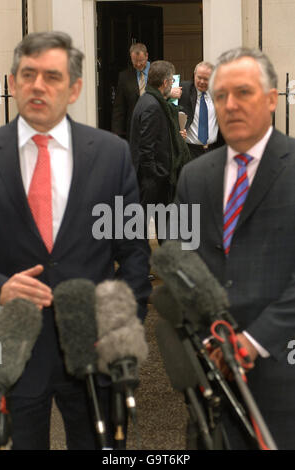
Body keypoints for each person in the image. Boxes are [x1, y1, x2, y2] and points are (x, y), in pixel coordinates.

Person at [0, 31, 151, 450]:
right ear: (12, 83)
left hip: (93, 346)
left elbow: (134, 253)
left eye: (52, 76)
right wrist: (1, 288)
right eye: (27, 75)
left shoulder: (111, 153)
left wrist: (121, 324)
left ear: (75, 88)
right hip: (15, 345)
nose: (37, 86)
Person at [173, 47, 295, 449]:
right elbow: (179, 260)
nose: (230, 105)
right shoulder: (193, 176)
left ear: (271, 99)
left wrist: (252, 340)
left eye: (243, 93)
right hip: (210, 372)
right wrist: (208, 340)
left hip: (281, 370)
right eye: (221, 95)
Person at [129, 60, 190, 242]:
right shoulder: (152, 106)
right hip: (153, 180)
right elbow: (146, 147)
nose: (172, 85)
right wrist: (158, 174)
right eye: (171, 81)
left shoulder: (150, 100)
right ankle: (141, 268)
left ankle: (160, 266)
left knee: (161, 226)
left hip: (154, 178)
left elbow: (158, 137)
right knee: (142, 229)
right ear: (164, 83)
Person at [111, 43, 182, 141]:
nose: (138, 64)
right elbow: (119, 106)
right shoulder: (124, 76)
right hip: (134, 126)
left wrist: (170, 93)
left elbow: (165, 93)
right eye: (135, 61)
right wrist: (116, 132)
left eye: (141, 61)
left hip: (157, 122)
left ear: (147, 56)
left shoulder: (159, 71)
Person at [179, 61, 224, 159]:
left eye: (206, 79)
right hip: (190, 151)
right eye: (199, 77)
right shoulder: (184, 89)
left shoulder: (219, 93)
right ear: (194, 75)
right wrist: (170, 93)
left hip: (214, 150)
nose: (202, 82)